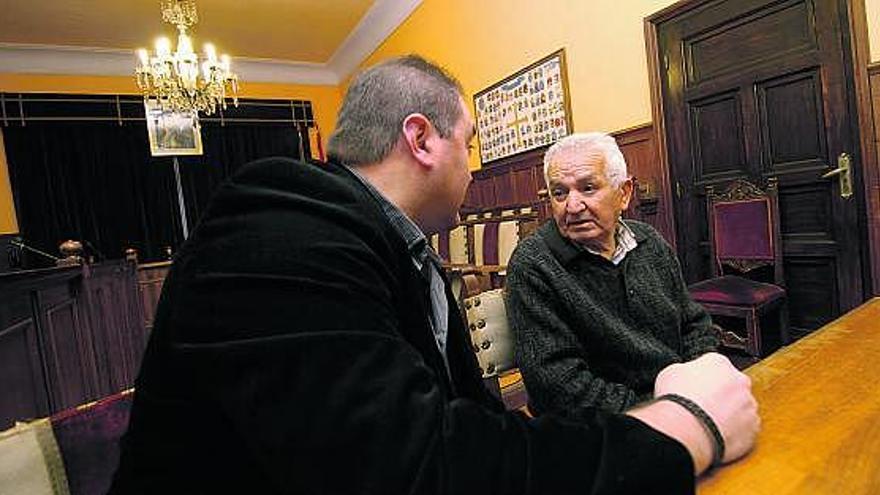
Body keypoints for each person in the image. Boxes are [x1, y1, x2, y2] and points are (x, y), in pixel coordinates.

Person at [109, 56, 758, 494]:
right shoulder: (276, 233)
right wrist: (679, 429)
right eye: (469, 142)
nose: (475, 166)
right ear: (421, 140)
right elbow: (420, 467)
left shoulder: (398, 252)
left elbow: (471, 427)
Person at [506, 132, 720, 417]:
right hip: (608, 428)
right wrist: (659, 412)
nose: (572, 205)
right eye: (559, 192)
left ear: (624, 193)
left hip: (682, 399)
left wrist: (700, 380)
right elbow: (557, 385)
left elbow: (694, 324)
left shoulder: (649, 241)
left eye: (588, 188)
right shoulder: (534, 264)